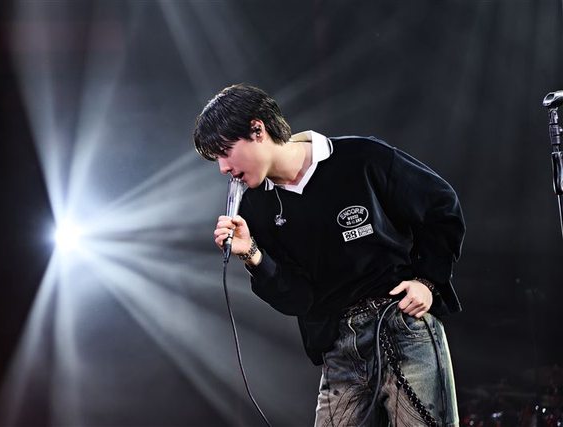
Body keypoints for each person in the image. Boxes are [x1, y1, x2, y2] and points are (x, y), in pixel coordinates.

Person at [193, 83, 465, 426]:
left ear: (257, 130)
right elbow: (298, 299)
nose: (222, 168)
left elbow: (441, 205)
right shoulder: (254, 209)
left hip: (402, 324)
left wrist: (428, 280)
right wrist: (253, 255)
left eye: (225, 151)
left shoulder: (361, 157)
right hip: (339, 349)